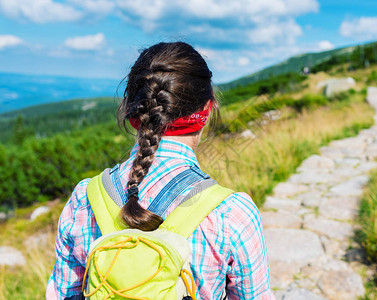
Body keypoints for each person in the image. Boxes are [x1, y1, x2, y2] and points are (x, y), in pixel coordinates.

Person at [46, 41, 274, 299]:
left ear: (130, 111)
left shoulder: (83, 199)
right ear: (207, 111)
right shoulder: (232, 213)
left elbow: (64, 294)